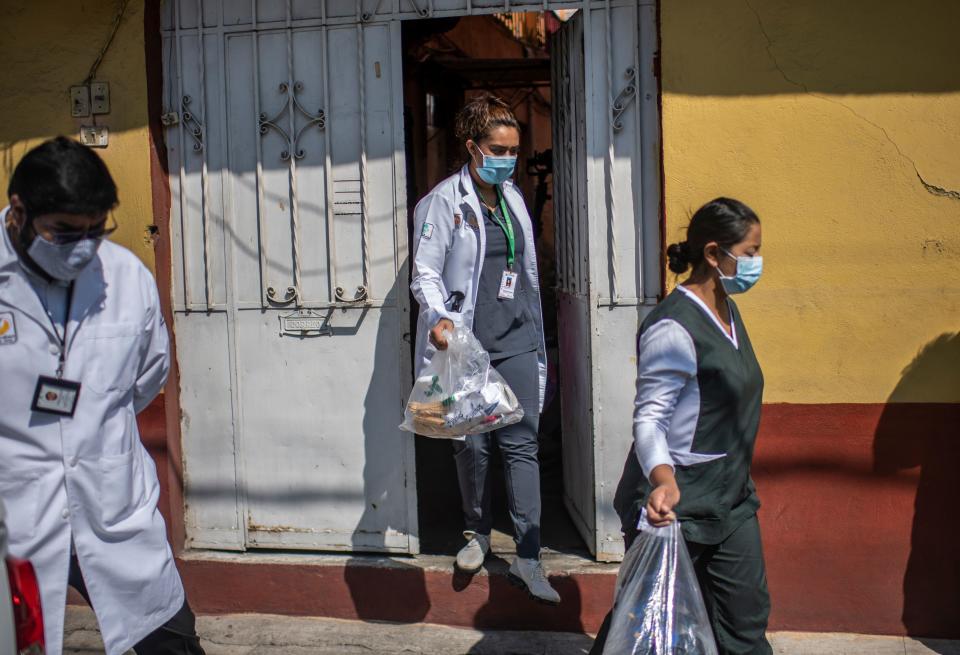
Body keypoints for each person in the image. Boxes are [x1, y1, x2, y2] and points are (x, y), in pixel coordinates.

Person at [0, 137, 204, 655]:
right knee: (22, 639)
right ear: (19, 213)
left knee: (172, 641)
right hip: (14, 517)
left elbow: (147, 376)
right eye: (66, 232)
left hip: (110, 507)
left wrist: (85, 425)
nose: (85, 246)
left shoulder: (126, 277)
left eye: (97, 229)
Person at [591, 198, 772, 654]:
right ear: (714, 254)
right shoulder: (672, 327)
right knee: (647, 622)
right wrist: (663, 478)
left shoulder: (727, 310)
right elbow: (649, 418)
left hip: (730, 500)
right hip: (677, 504)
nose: (756, 263)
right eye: (749, 253)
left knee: (745, 623)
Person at [410, 94, 559, 604]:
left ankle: (531, 554)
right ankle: (476, 531)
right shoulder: (443, 202)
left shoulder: (514, 197)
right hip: (469, 341)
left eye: (515, 150)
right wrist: (439, 318)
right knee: (472, 444)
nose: (509, 159)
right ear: (472, 147)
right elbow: (425, 272)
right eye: (498, 149)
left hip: (517, 337)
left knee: (522, 443)